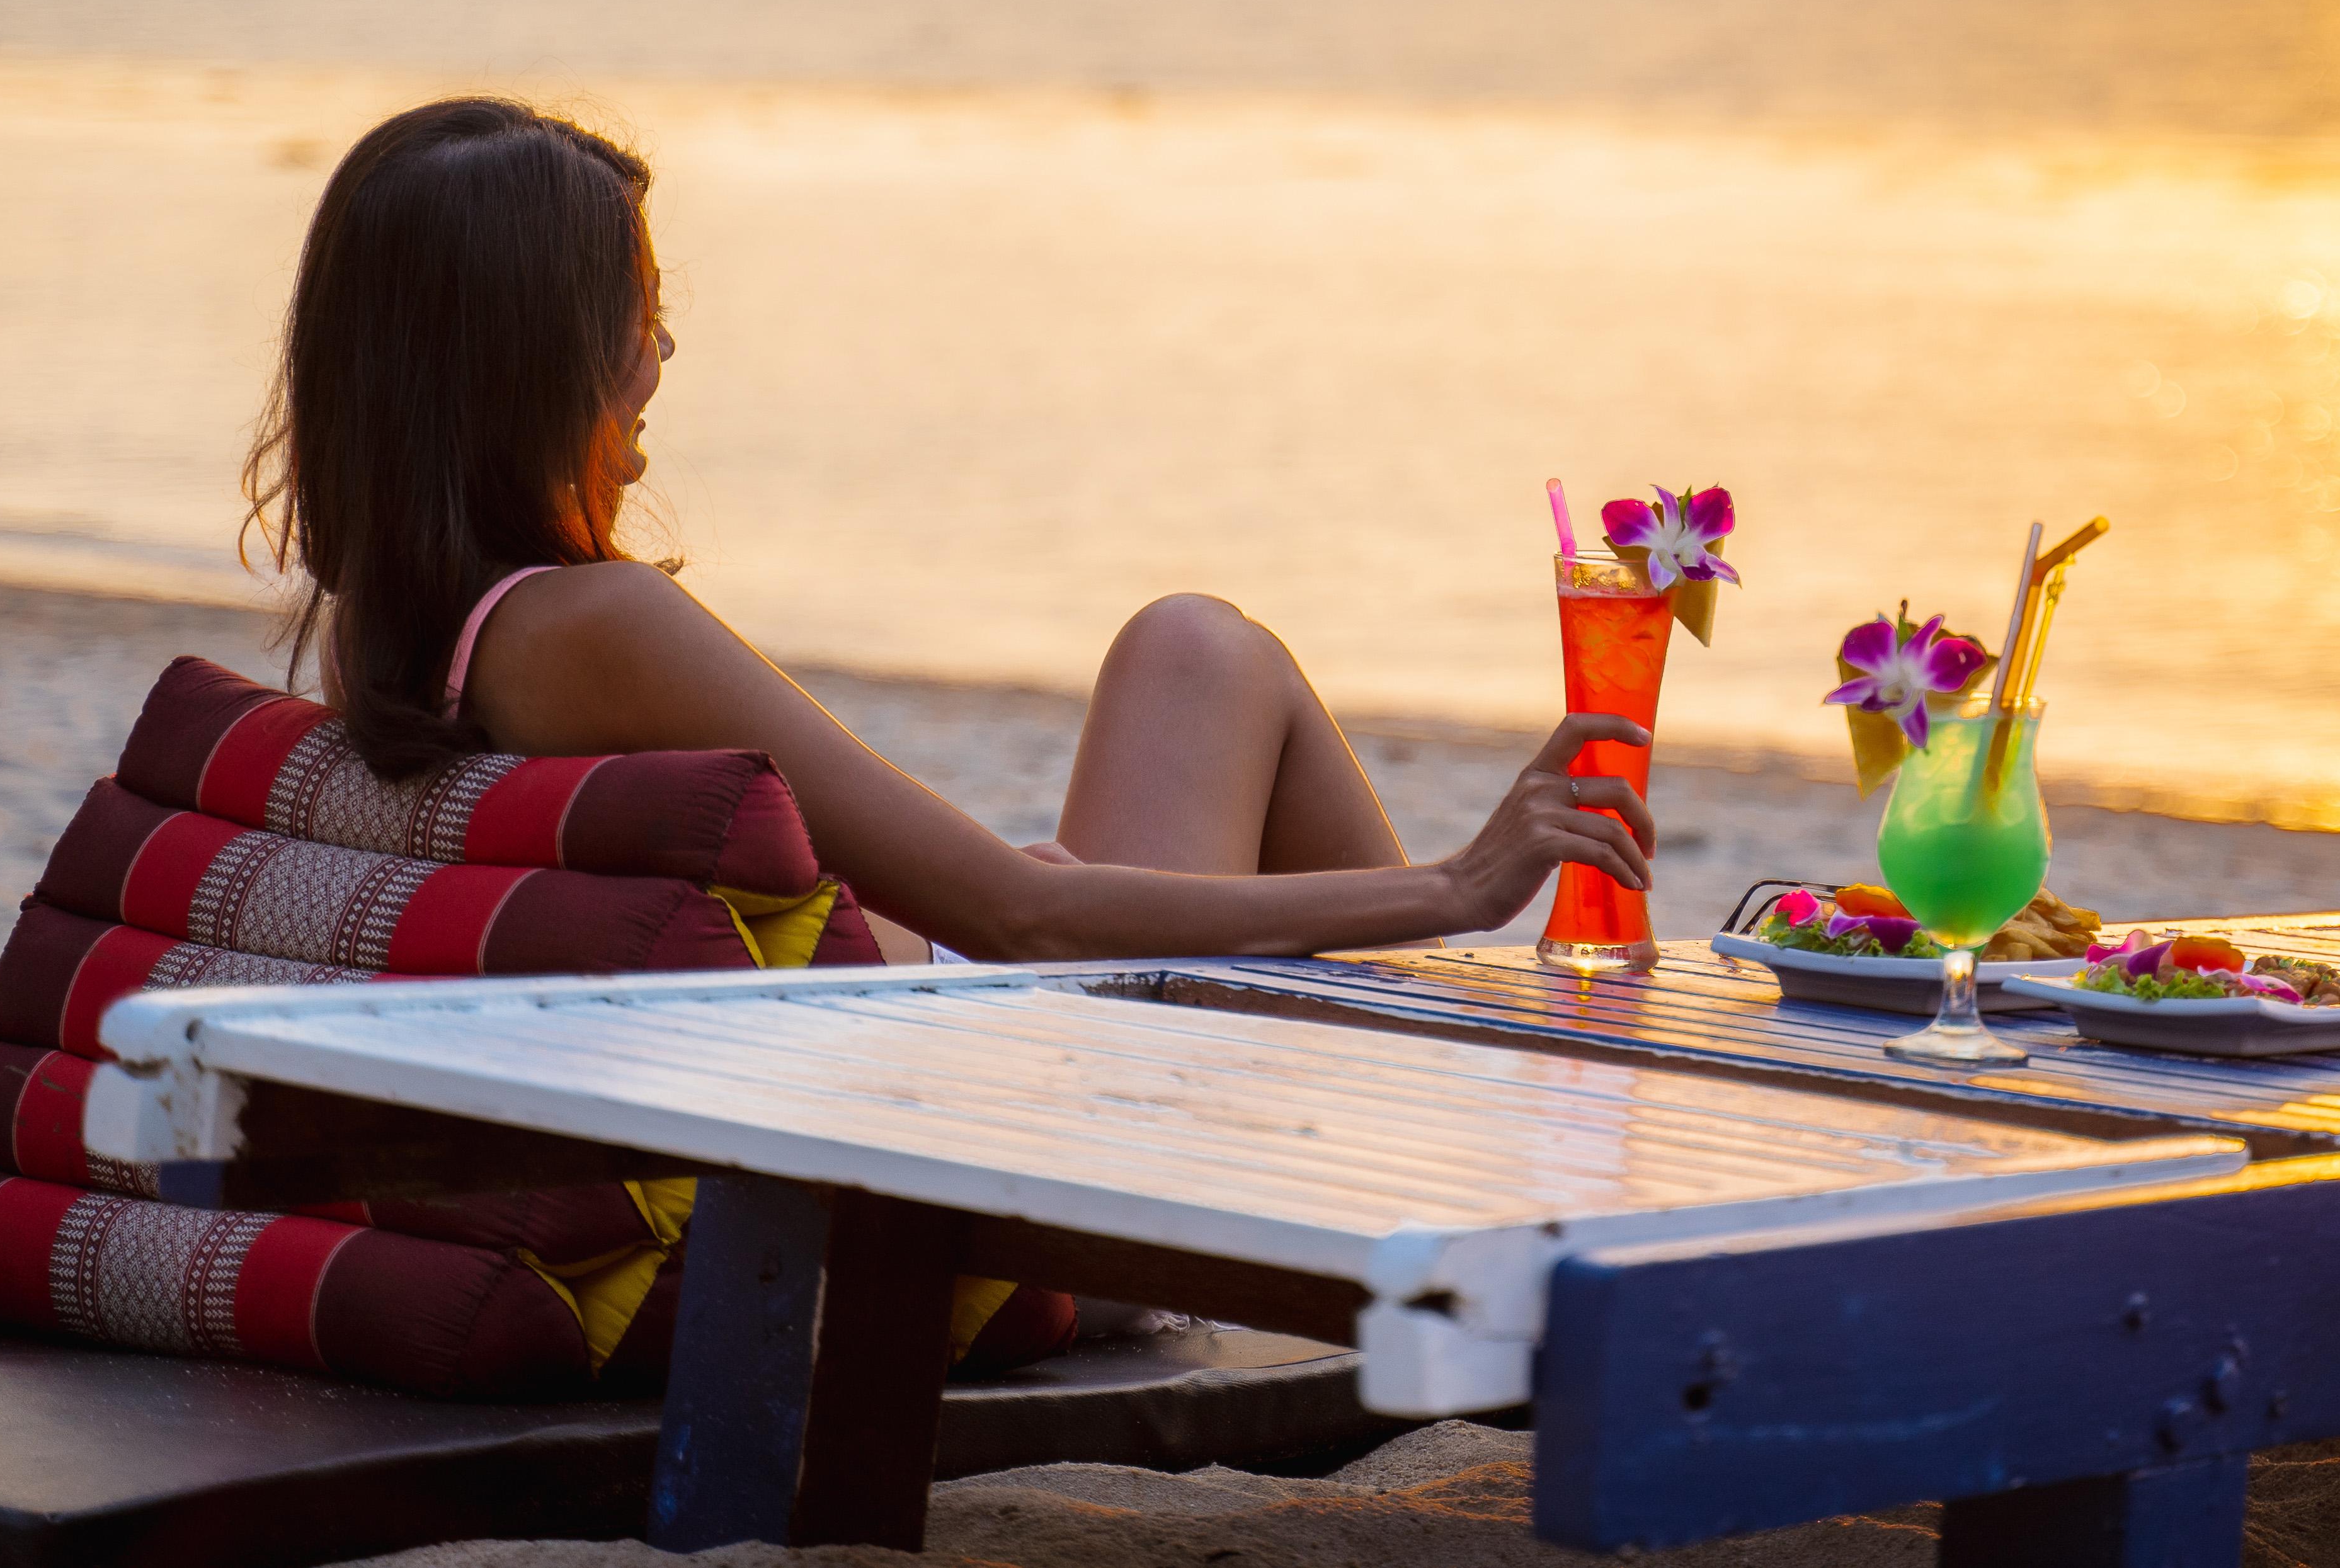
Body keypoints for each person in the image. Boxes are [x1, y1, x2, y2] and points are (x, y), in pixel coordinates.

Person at [247, 95, 1650, 961]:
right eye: (637, 310)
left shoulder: (406, 629)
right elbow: (1020, 923)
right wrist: (1462, 886)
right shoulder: (592, 626)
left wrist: (953, 912)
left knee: (1189, 655)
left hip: (913, 1042)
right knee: (1200, 651)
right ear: (534, 358)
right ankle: (1467, 1114)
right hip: (997, 1137)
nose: (664, 348)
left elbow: (804, 917)